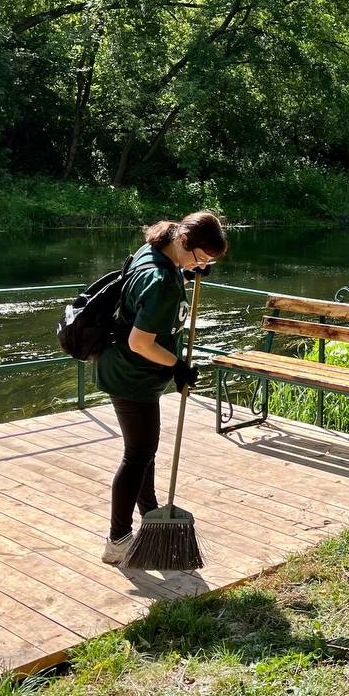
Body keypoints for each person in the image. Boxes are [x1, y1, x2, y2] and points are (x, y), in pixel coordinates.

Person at [95, 210, 228, 565]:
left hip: (122, 365)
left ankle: (149, 513)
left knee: (142, 451)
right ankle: (118, 540)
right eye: (200, 257)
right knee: (138, 454)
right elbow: (141, 341)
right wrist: (178, 366)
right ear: (184, 241)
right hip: (132, 374)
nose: (202, 264)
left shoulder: (155, 248)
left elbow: (144, 297)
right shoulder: (162, 284)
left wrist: (187, 272)